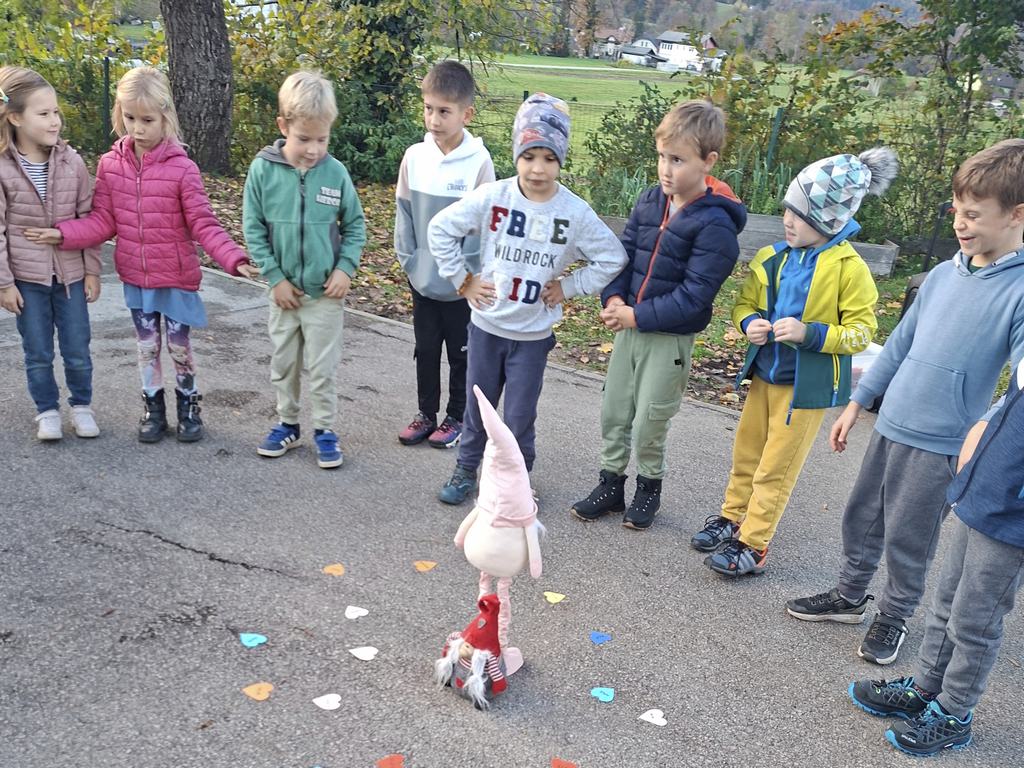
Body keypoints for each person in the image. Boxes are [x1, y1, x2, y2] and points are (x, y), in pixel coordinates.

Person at [786, 139, 1024, 665]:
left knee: (909, 537)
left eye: (973, 215)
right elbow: (898, 345)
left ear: (1017, 215)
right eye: (956, 211)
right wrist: (859, 402)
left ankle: (894, 614)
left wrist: (985, 429)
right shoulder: (942, 275)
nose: (960, 224)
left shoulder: (1019, 290)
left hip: (942, 441)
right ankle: (850, 595)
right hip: (891, 423)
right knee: (862, 517)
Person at [691, 147, 897, 574]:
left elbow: (861, 332)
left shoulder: (850, 269)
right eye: (788, 209)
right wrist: (749, 322)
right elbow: (744, 304)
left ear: (828, 220)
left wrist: (810, 334)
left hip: (803, 390)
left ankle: (754, 543)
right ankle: (732, 517)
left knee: (775, 467)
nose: (787, 220)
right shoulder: (773, 257)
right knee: (747, 453)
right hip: (763, 376)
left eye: (800, 215)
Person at [26, 66, 258, 443]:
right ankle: (153, 408)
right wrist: (64, 233)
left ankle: (189, 406)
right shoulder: (110, 165)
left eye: (147, 120)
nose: (137, 128)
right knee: (147, 347)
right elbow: (103, 221)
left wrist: (233, 257)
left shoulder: (183, 169)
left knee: (179, 347)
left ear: (165, 116)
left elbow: (203, 223)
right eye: (130, 118)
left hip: (177, 280)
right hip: (136, 279)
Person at [429, 92, 627, 505]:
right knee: (479, 407)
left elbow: (613, 257)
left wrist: (569, 287)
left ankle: (516, 481)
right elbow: (440, 229)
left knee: (519, 416)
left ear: (561, 160)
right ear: (516, 153)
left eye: (549, 158)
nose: (538, 168)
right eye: (529, 155)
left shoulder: (574, 212)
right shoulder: (494, 196)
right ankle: (466, 468)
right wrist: (463, 281)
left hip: (533, 337)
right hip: (486, 327)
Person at [570, 100, 747, 530]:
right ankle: (611, 484)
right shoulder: (650, 201)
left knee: (651, 419)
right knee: (615, 411)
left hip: (669, 340)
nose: (666, 170)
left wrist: (637, 316)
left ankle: (649, 487)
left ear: (708, 161)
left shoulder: (716, 226)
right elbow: (623, 255)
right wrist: (614, 298)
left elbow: (695, 295)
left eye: (678, 160)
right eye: (662, 157)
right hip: (629, 328)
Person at [847, 360, 1024, 757]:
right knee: (946, 602)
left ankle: (955, 713)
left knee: (975, 620)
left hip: (1013, 516)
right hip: (983, 492)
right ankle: (926, 689)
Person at [244, 70, 366, 469]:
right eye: (304, 139)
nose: (313, 150)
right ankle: (288, 424)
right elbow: (253, 228)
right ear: (283, 127)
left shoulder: (336, 173)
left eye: (322, 139)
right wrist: (275, 278)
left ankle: (325, 429)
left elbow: (355, 226)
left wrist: (345, 269)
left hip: (324, 296)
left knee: (322, 368)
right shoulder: (262, 171)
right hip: (284, 296)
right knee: (285, 364)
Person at [395, 60, 494, 449]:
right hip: (422, 280)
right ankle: (426, 414)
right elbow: (404, 217)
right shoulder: (414, 157)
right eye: (428, 108)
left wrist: (467, 278)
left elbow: (484, 229)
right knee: (425, 350)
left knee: (460, 354)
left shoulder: (479, 163)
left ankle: (456, 417)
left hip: (461, 287)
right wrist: (411, 263)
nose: (434, 119)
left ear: (466, 114)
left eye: (444, 111)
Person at [0, 66, 102, 441]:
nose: (54, 121)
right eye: (43, 113)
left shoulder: (71, 162)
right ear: (15, 117)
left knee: (77, 349)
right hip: (27, 280)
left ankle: (82, 406)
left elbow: (89, 219)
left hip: (71, 277)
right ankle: (47, 411)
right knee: (38, 352)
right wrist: (4, 283)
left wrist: (92, 270)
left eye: (56, 112)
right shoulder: (3, 169)